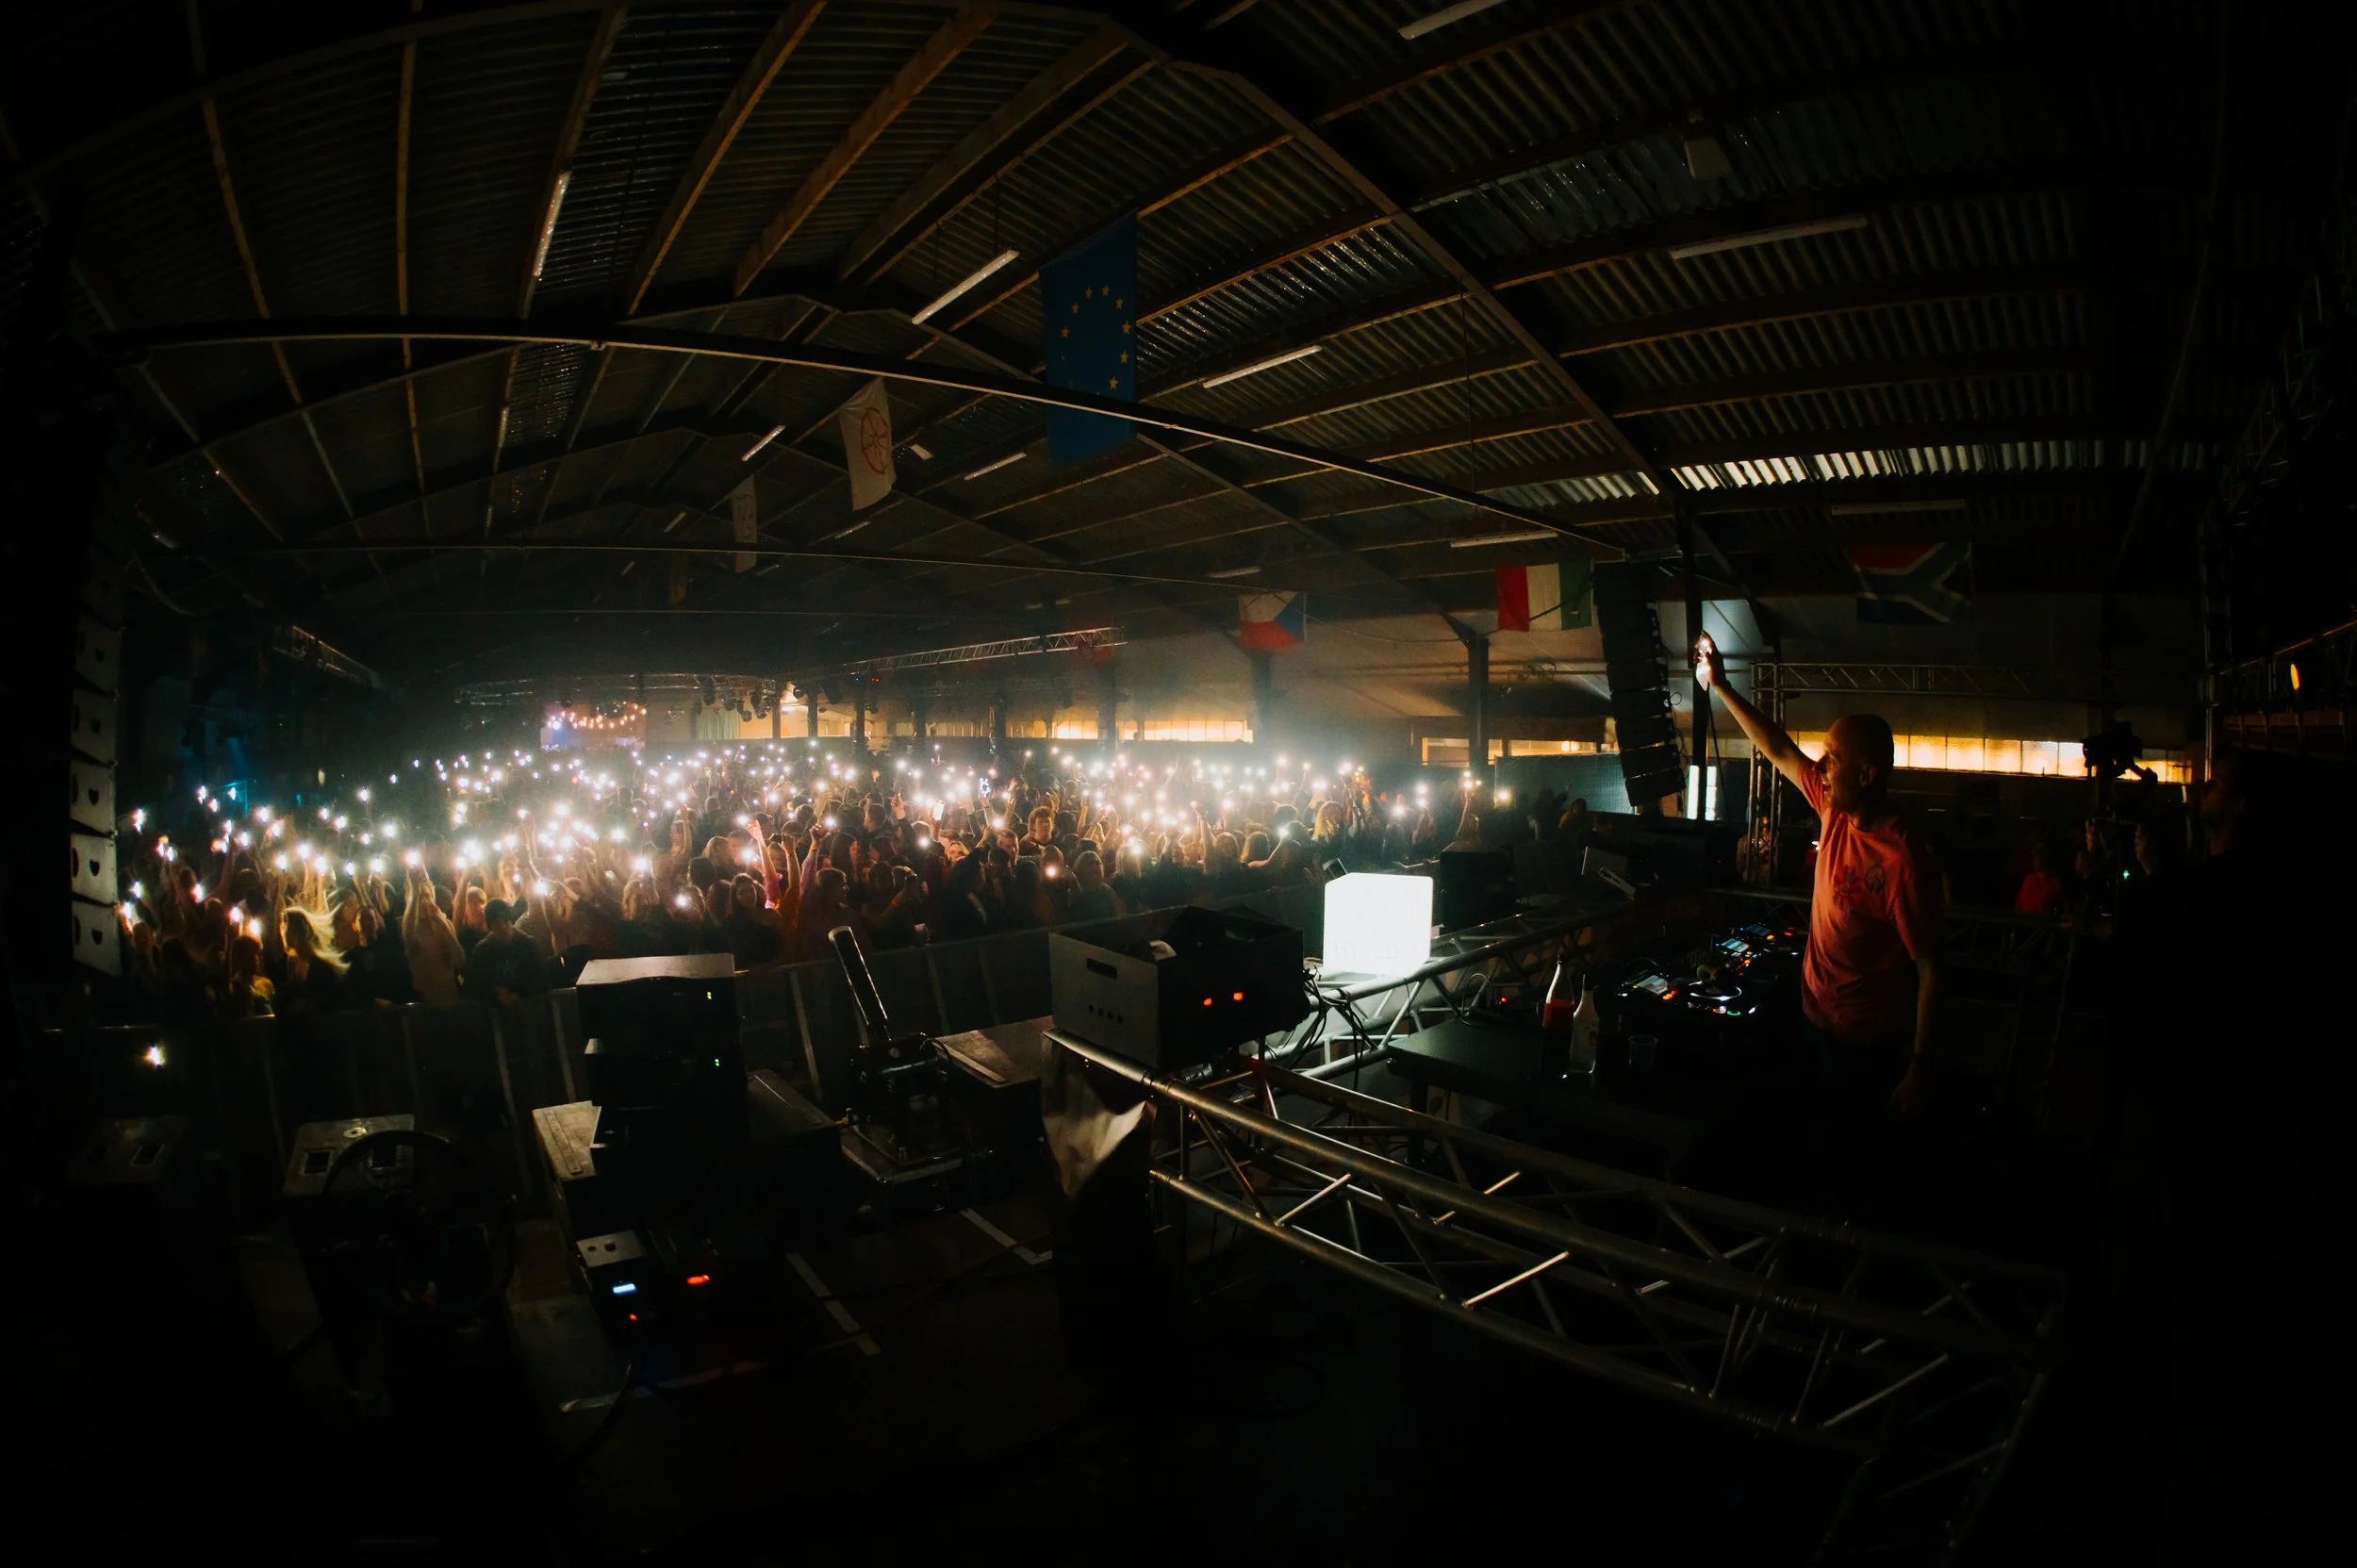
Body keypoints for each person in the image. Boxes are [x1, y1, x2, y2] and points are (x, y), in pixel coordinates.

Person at [1698, 640, 1942, 1202]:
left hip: (1866, 1048)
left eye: (1831, 756)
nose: (1820, 764)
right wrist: (1721, 684)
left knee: (1850, 1169)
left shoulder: (1902, 860)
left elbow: (1932, 970)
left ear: (1868, 772)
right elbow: (1778, 747)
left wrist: (1921, 1068)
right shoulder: (1833, 803)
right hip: (1811, 1016)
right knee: (1806, 1149)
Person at [465, 898, 551, 1003]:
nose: (503, 927)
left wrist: (519, 993)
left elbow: (541, 979)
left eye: (505, 921)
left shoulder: (527, 945)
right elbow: (474, 985)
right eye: (497, 923)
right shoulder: (482, 951)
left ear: (511, 921)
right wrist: (496, 994)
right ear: (490, 926)